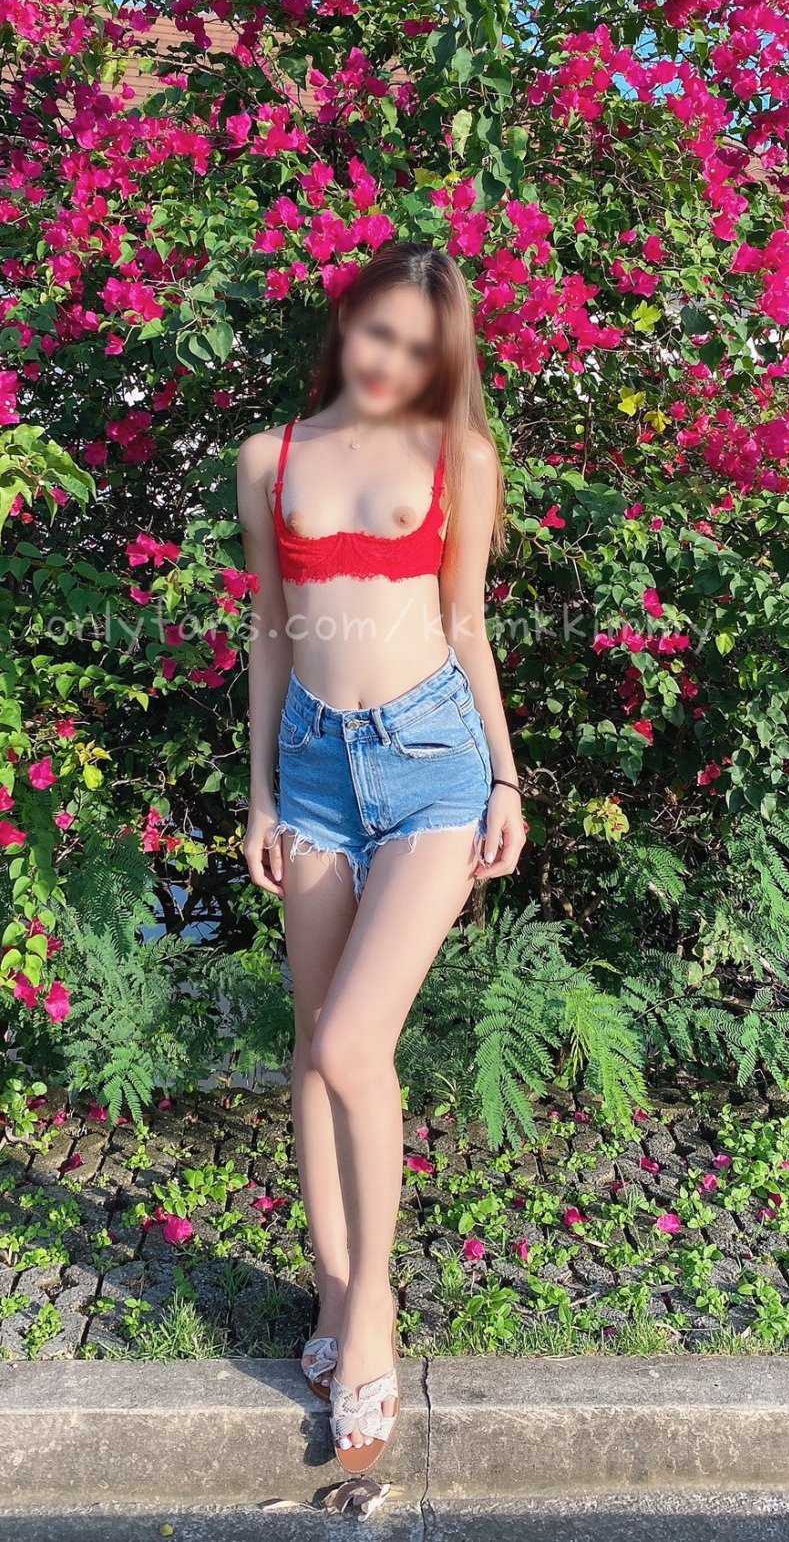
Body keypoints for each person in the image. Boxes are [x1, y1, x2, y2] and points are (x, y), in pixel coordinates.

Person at [235, 242, 526, 1476]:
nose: (390, 360)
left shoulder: (458, 456)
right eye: (377, 332)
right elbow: (269, 629)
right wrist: (259, 789)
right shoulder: (270, 457)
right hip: (311, 770)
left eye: (417, 346)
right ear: (344, 318)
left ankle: (372, 1321)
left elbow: (464, 621)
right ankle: (331, 1285)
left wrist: (505, 777)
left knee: (356, 1045)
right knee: (313, 1048)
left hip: (431, 763)